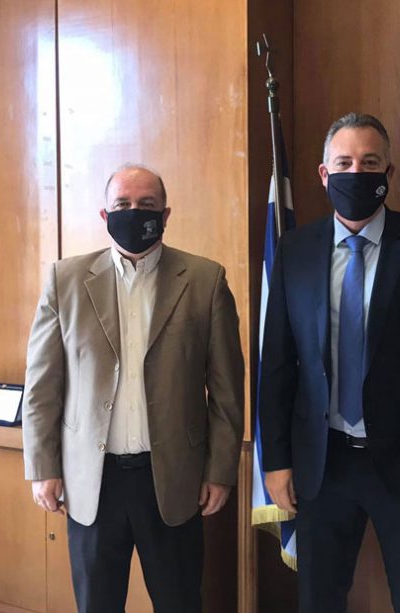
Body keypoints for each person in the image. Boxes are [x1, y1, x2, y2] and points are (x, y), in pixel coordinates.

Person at [259, 113, 400, 612]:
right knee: (319, 601)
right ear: (324, 174)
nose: (356, 173)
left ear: (389, 173)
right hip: (322, 464)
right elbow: (277, 362)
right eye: (344, 163)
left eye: (369, 162)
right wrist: (275, 459)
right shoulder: (295, 251)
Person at [22, 164, 244, 613]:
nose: (134, 212)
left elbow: (227, 391)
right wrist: (42, 465)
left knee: (180, 602)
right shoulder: (65, 281)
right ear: (105, 215)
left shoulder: (205, 281)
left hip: (173, 479)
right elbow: (42, 385)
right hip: (92, 482)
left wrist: (220, 469)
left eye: (146, 204)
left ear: (165, 215)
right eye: (122, 204)